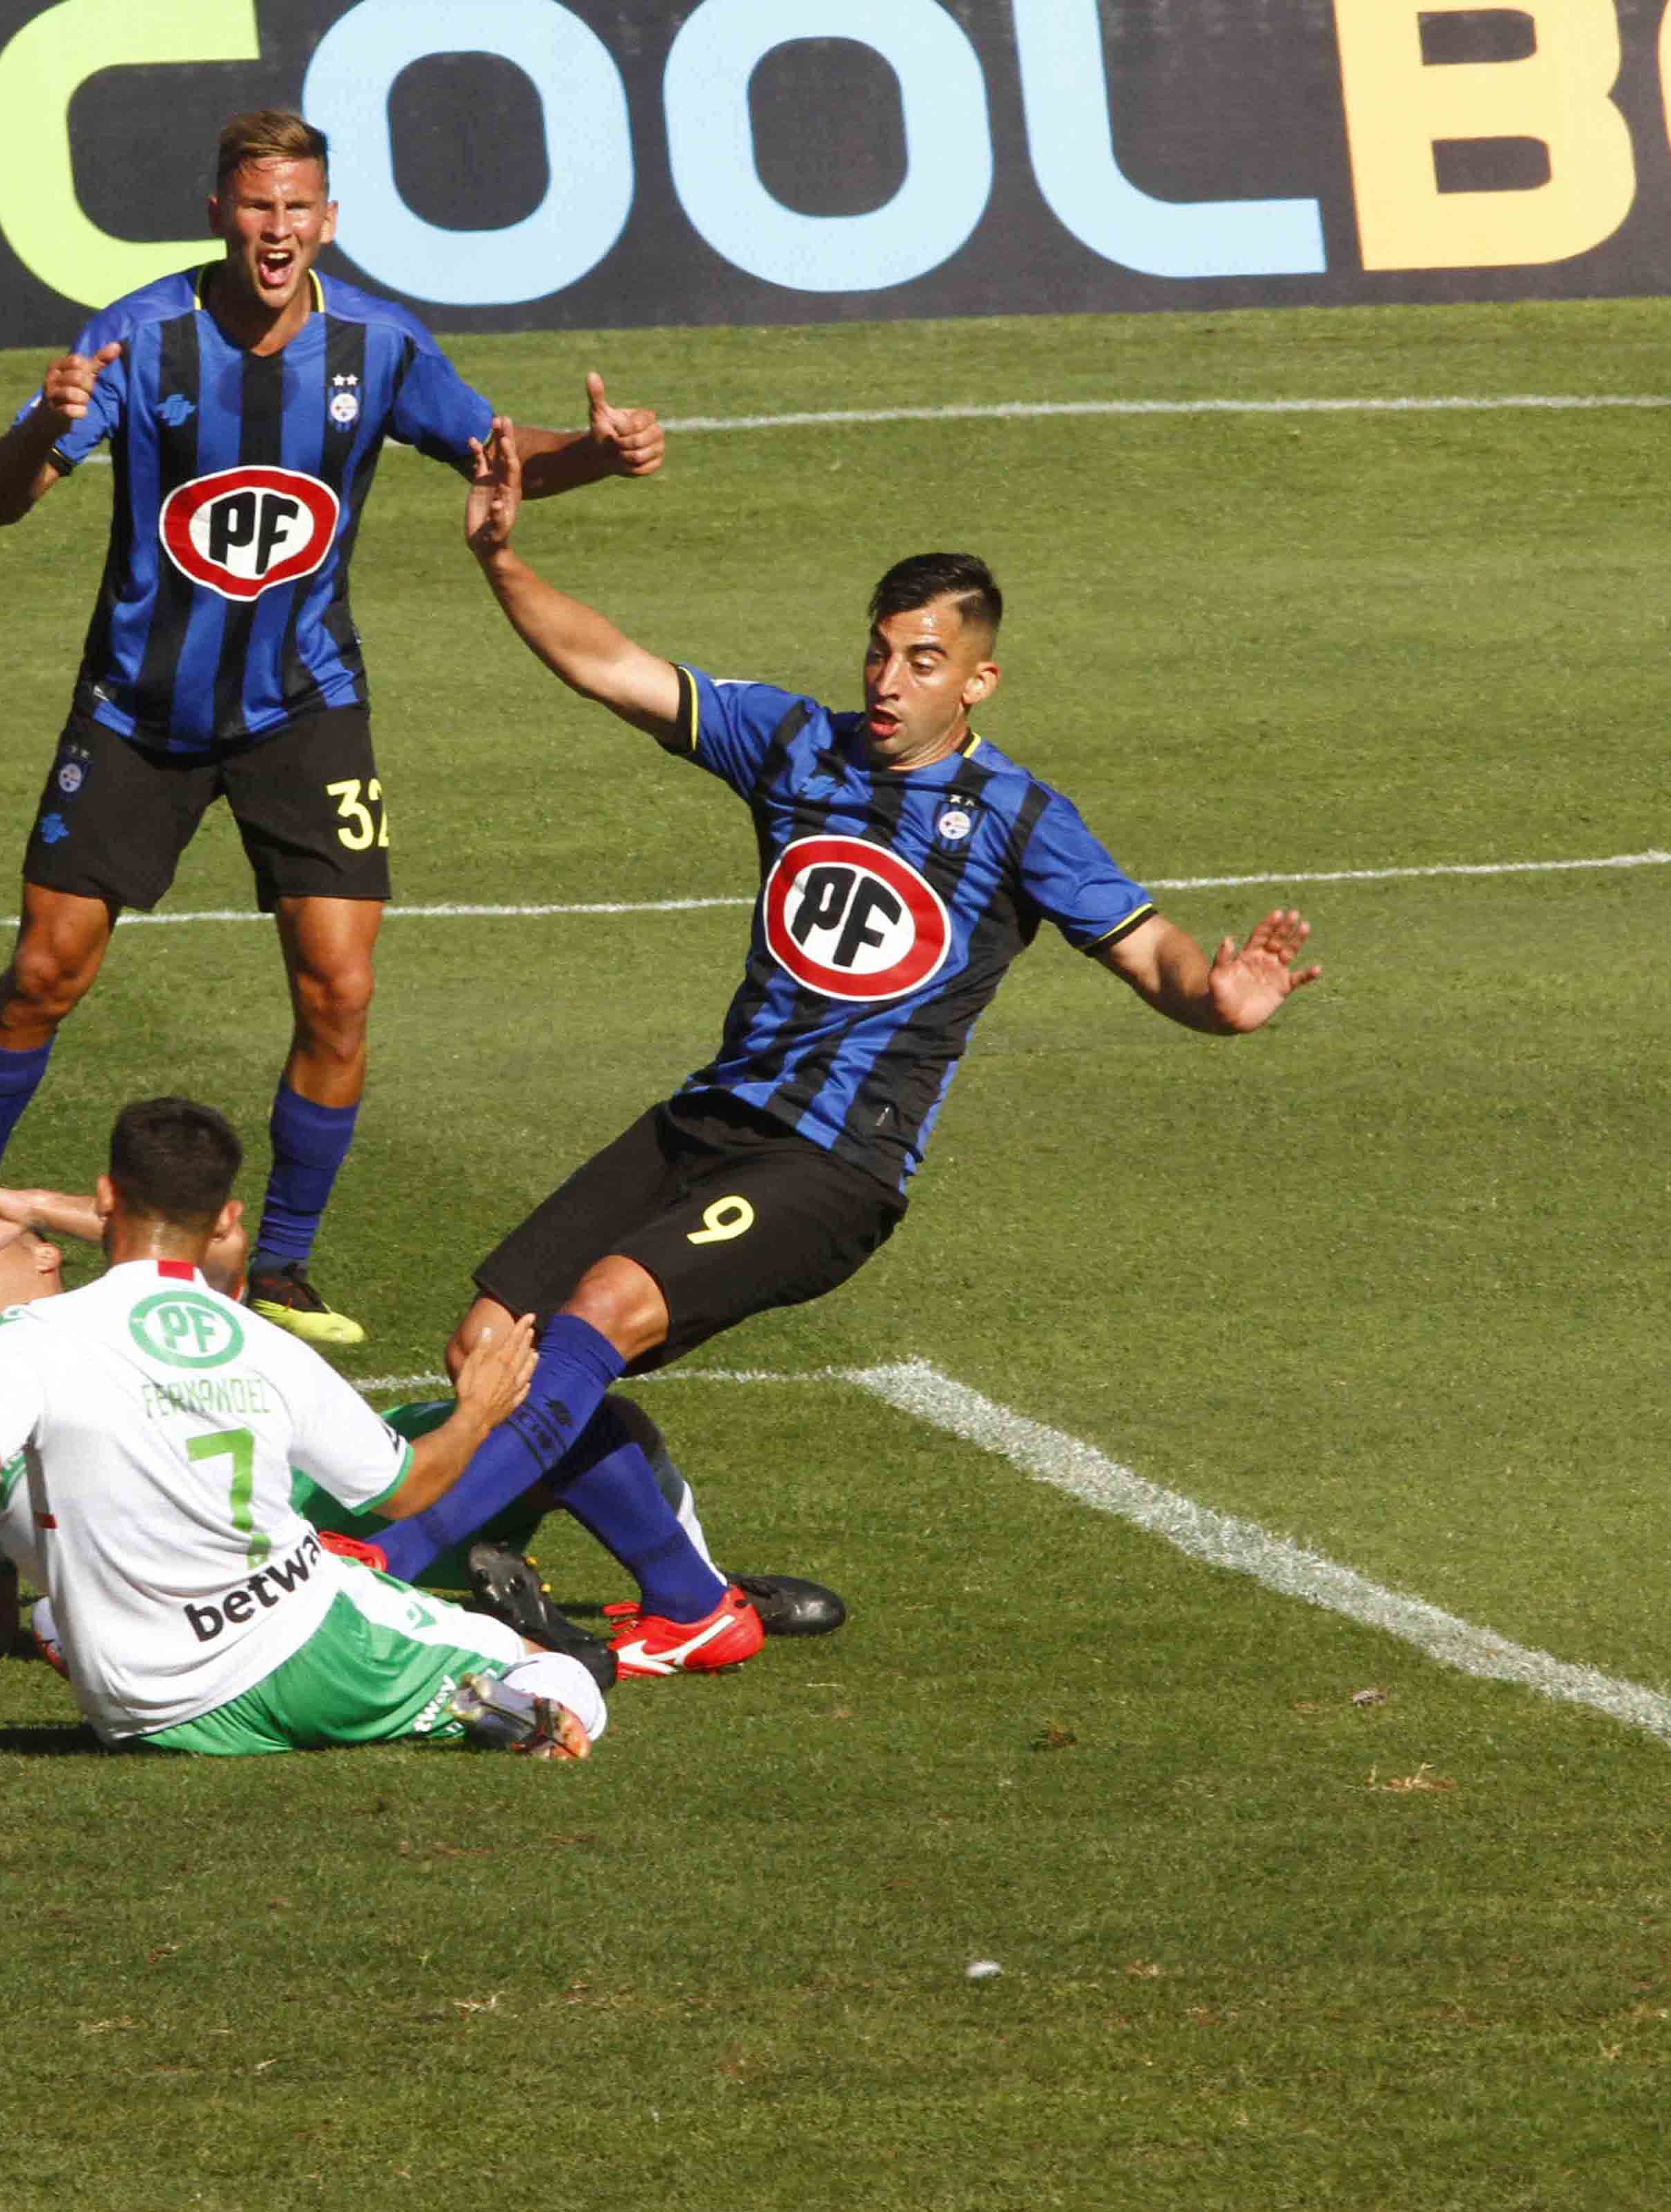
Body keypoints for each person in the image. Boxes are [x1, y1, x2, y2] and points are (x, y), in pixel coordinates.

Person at [345, 422, 1322, 1675]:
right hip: (709, 1118)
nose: (887, 679)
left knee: (600, 1309)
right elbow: (616, 669)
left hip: (834, 1165)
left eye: (922, 660)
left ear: (977, 681)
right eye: (878, 650)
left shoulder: (1021, 820)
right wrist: (499, 560)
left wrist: (1222, 997)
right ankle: (690, 1600)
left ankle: (387, 1560)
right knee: (490, 1343)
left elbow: (1153, 956)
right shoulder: (795, 743)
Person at [0, 105, 668, 1351]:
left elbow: (497, 458)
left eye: (299, 209)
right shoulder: (139, 338)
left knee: (339, 989)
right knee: (43, 975)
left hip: (304, 707)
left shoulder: (378, 345)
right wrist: (40, 424)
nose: (277, 231)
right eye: (257, 207)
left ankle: (277, 1267)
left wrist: (596, 457)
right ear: (219, 213)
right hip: (139, 710)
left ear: (327, 220)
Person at [0, 1097, 606, 1760]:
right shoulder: (256, 1340)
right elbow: (407, 1486)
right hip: (305, 1648)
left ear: (102, 1198)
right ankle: (516, 1708)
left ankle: (469, 1686)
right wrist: (481, 1409)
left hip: (146, 1711)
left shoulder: (33, 1342)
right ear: (221, 1217)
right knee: (555, 1672)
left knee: (77, 1610)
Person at [0, 1179, 849, 1661]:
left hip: (346, 1498)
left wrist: (28, 1200)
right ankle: (567, 1615)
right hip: (237, 1584)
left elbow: (223, 1240)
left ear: (48, 1260)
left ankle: (695, 1598)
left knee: (567, 1403)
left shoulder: (139, 1314)